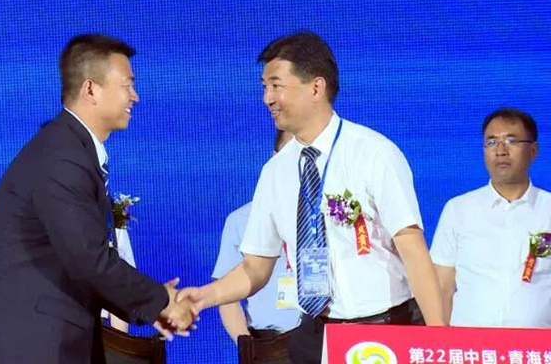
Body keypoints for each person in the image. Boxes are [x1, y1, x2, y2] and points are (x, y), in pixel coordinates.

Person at [178, 31, 445, 364]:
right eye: (264, 87)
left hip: (384, 330)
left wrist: (439, 340)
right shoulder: (275, 172)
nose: (267, 98)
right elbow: (255, 267)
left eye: (276, 85)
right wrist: (204, 297)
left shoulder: (373, 153)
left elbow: (411, 246)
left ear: (316, 87)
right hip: (314, 334)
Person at [0, 34, 195, 364]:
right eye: (127, 84)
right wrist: (160, 302)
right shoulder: (62, 157)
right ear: (90, 89)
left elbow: (79, 262)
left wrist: (150, 308)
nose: (134, 96)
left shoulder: (69, 149)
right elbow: (87, 258)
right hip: (20, 346)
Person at [430, 108, 551, 328]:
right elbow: (442, 287)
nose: (500, 151)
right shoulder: (458, 210)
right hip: (469, 344)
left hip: (539, 344)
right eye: (491, 142)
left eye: (511, 141)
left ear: (533, 151)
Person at [212, 130, 299, 343]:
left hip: (326, 339)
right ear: (274, 158)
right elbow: (228, 297)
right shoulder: (241, 220)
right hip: (267, 342)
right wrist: (247, 348)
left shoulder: (332, 214)